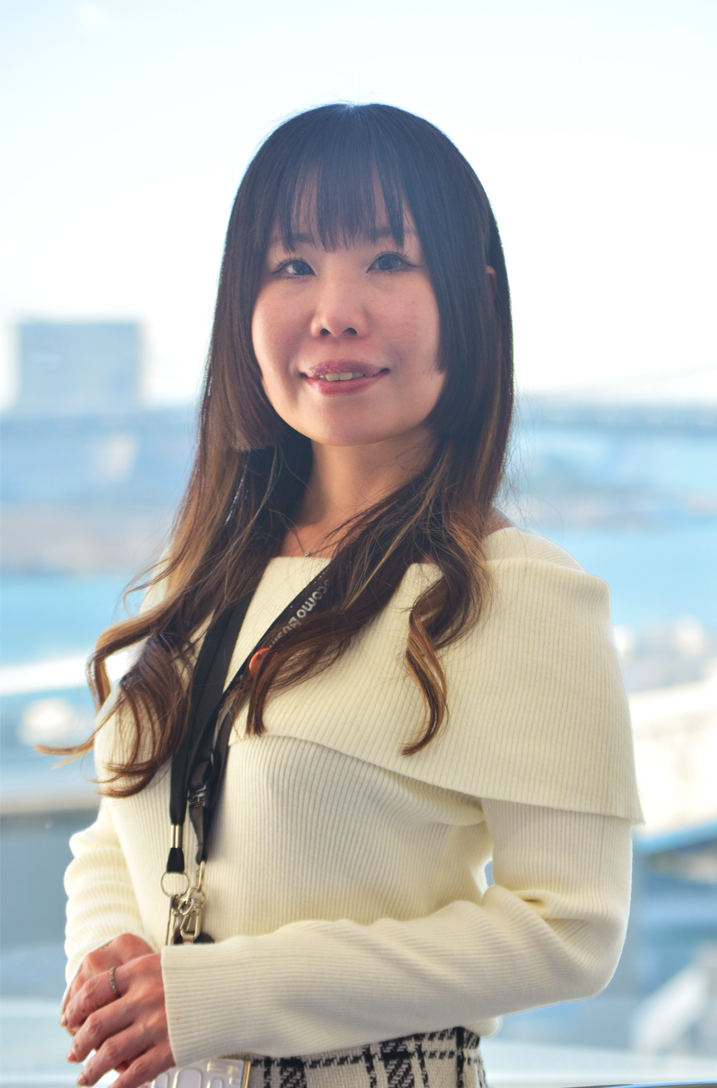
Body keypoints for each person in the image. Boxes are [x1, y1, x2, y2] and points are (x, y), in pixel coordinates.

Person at [58, 103, 642, 1088]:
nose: (334, 309)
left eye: (388, 260)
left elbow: (570, 929)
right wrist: (115, 966)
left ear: (472, 300)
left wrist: (215, 993)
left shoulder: (519, 590)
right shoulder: (210, 574)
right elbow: (119, 832)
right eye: (292, 264)